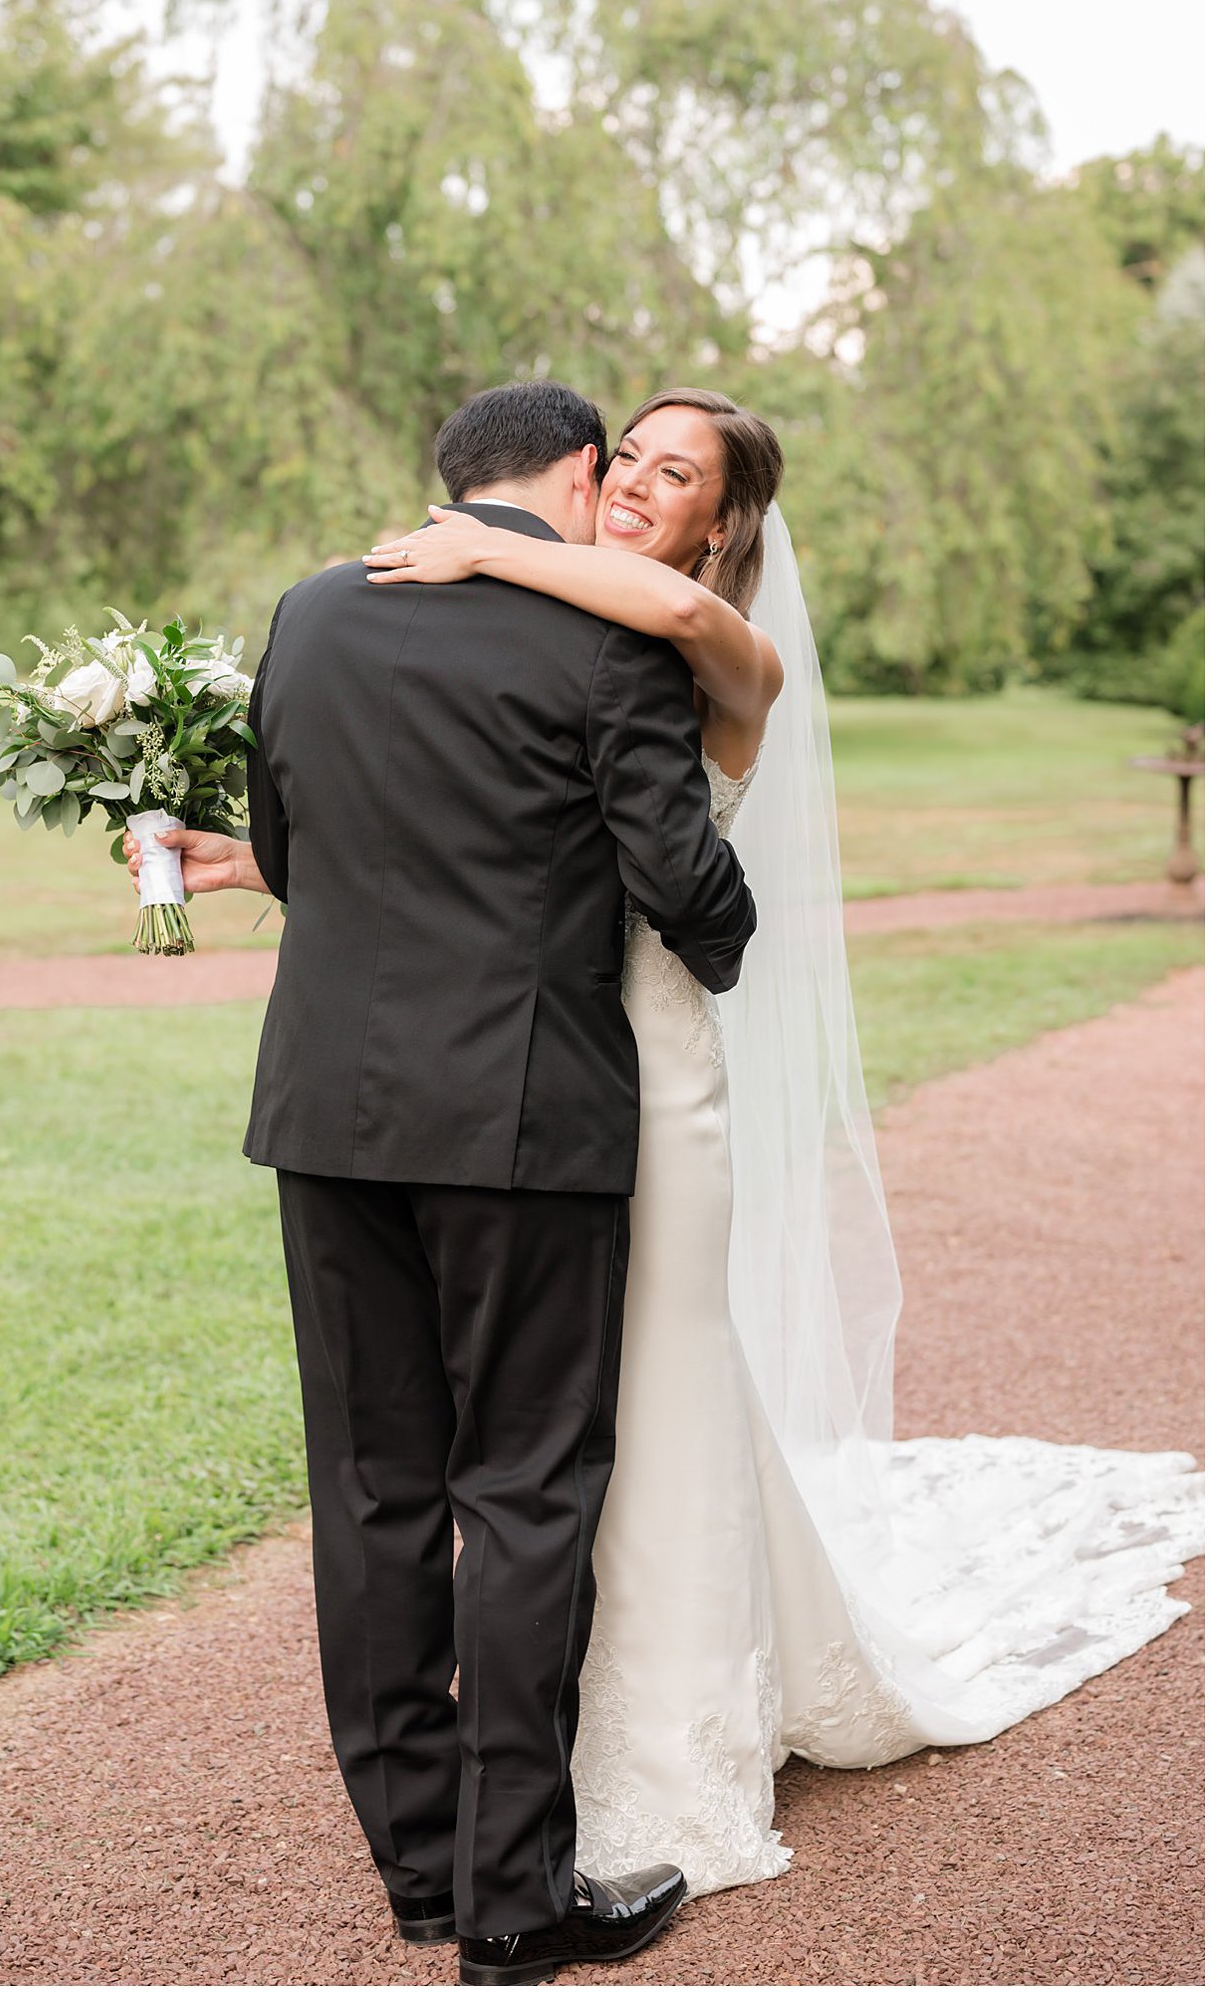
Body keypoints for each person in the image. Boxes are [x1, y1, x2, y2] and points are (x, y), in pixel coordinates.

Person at [359, 385, 1205, 1902]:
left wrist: (477, 546)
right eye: (623, 458)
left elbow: (638, 610)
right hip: (531, 1054)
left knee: (661, 1375)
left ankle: (670, 1731)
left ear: (723, 522)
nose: (630, 485)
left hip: (657, 1057)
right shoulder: (584, 626)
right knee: (563, 1396)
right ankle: (534, 1715)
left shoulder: (721, 649)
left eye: (672, 473)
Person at [132, 380, 757, 1986]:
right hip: (525, 1125)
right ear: (569, 475)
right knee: (528, 1496)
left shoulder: (311, 610)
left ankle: (417, 1869)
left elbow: (296, 836)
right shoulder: (609, 643)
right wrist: (728, 933)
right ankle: (516, 1904)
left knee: (372, 1492)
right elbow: (682, 885)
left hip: (329, 1116)